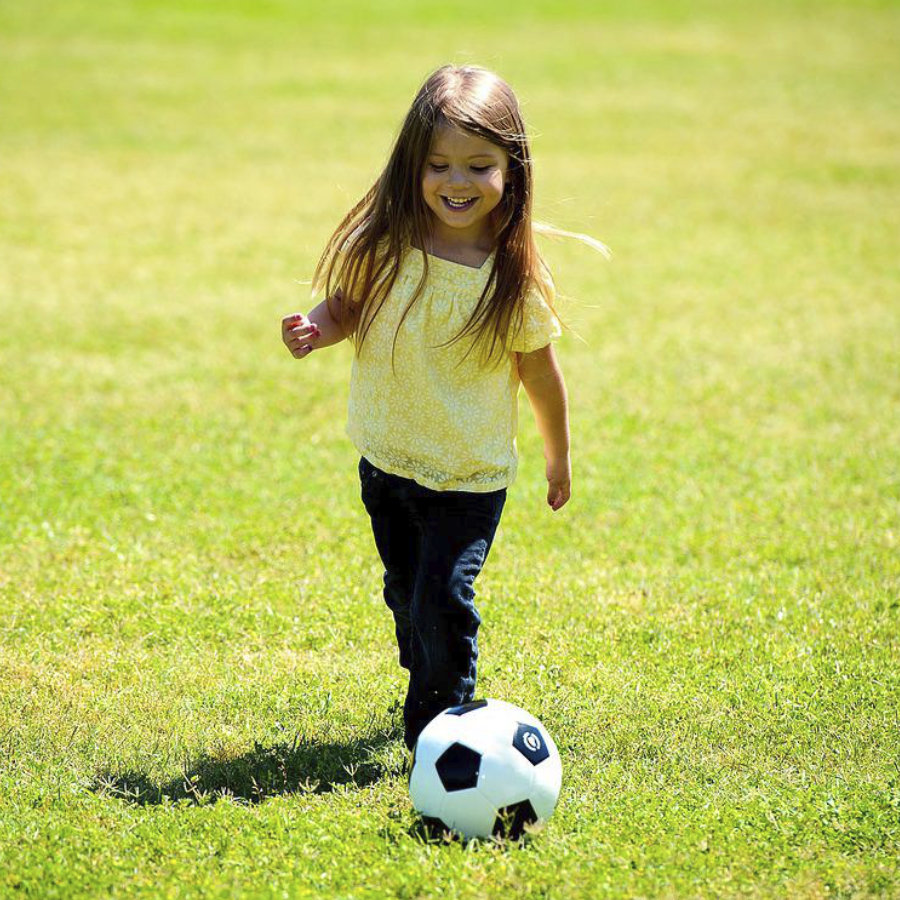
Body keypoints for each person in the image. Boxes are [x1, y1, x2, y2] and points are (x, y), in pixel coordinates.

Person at [281, 64, 601, 751]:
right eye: (440, 165)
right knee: (405, 593)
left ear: (511, 172)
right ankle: (426, 670)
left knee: (440, 599)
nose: (457, 183)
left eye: (479, 166)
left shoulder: (510, 280)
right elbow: (347, 307)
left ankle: (442, 727)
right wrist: (315, 327)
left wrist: (558, 458)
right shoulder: (388, 246)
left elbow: (542, 376)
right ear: (413, 166)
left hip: (467, 477)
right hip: (388, 460)